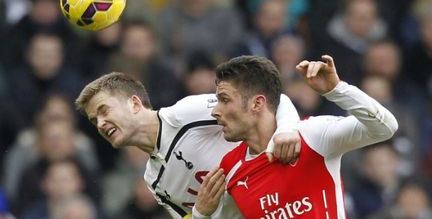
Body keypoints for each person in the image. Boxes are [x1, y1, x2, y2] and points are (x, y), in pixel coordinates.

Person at [194, 55, 398, 218]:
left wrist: (337, 90)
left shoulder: (313, 135)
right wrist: (200, 214)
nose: (215, 111)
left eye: (224, 99)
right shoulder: (229, 169)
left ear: (257, 103)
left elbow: (385, 127)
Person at [75, 72, 301, 218]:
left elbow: (273, 100)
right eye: (95, 121)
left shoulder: (186, 115)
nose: (101, 124)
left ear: (135, 103)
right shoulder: (154, 181)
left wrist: (287, 129)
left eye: (104, 111)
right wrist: (201, 212)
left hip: (290, 206)